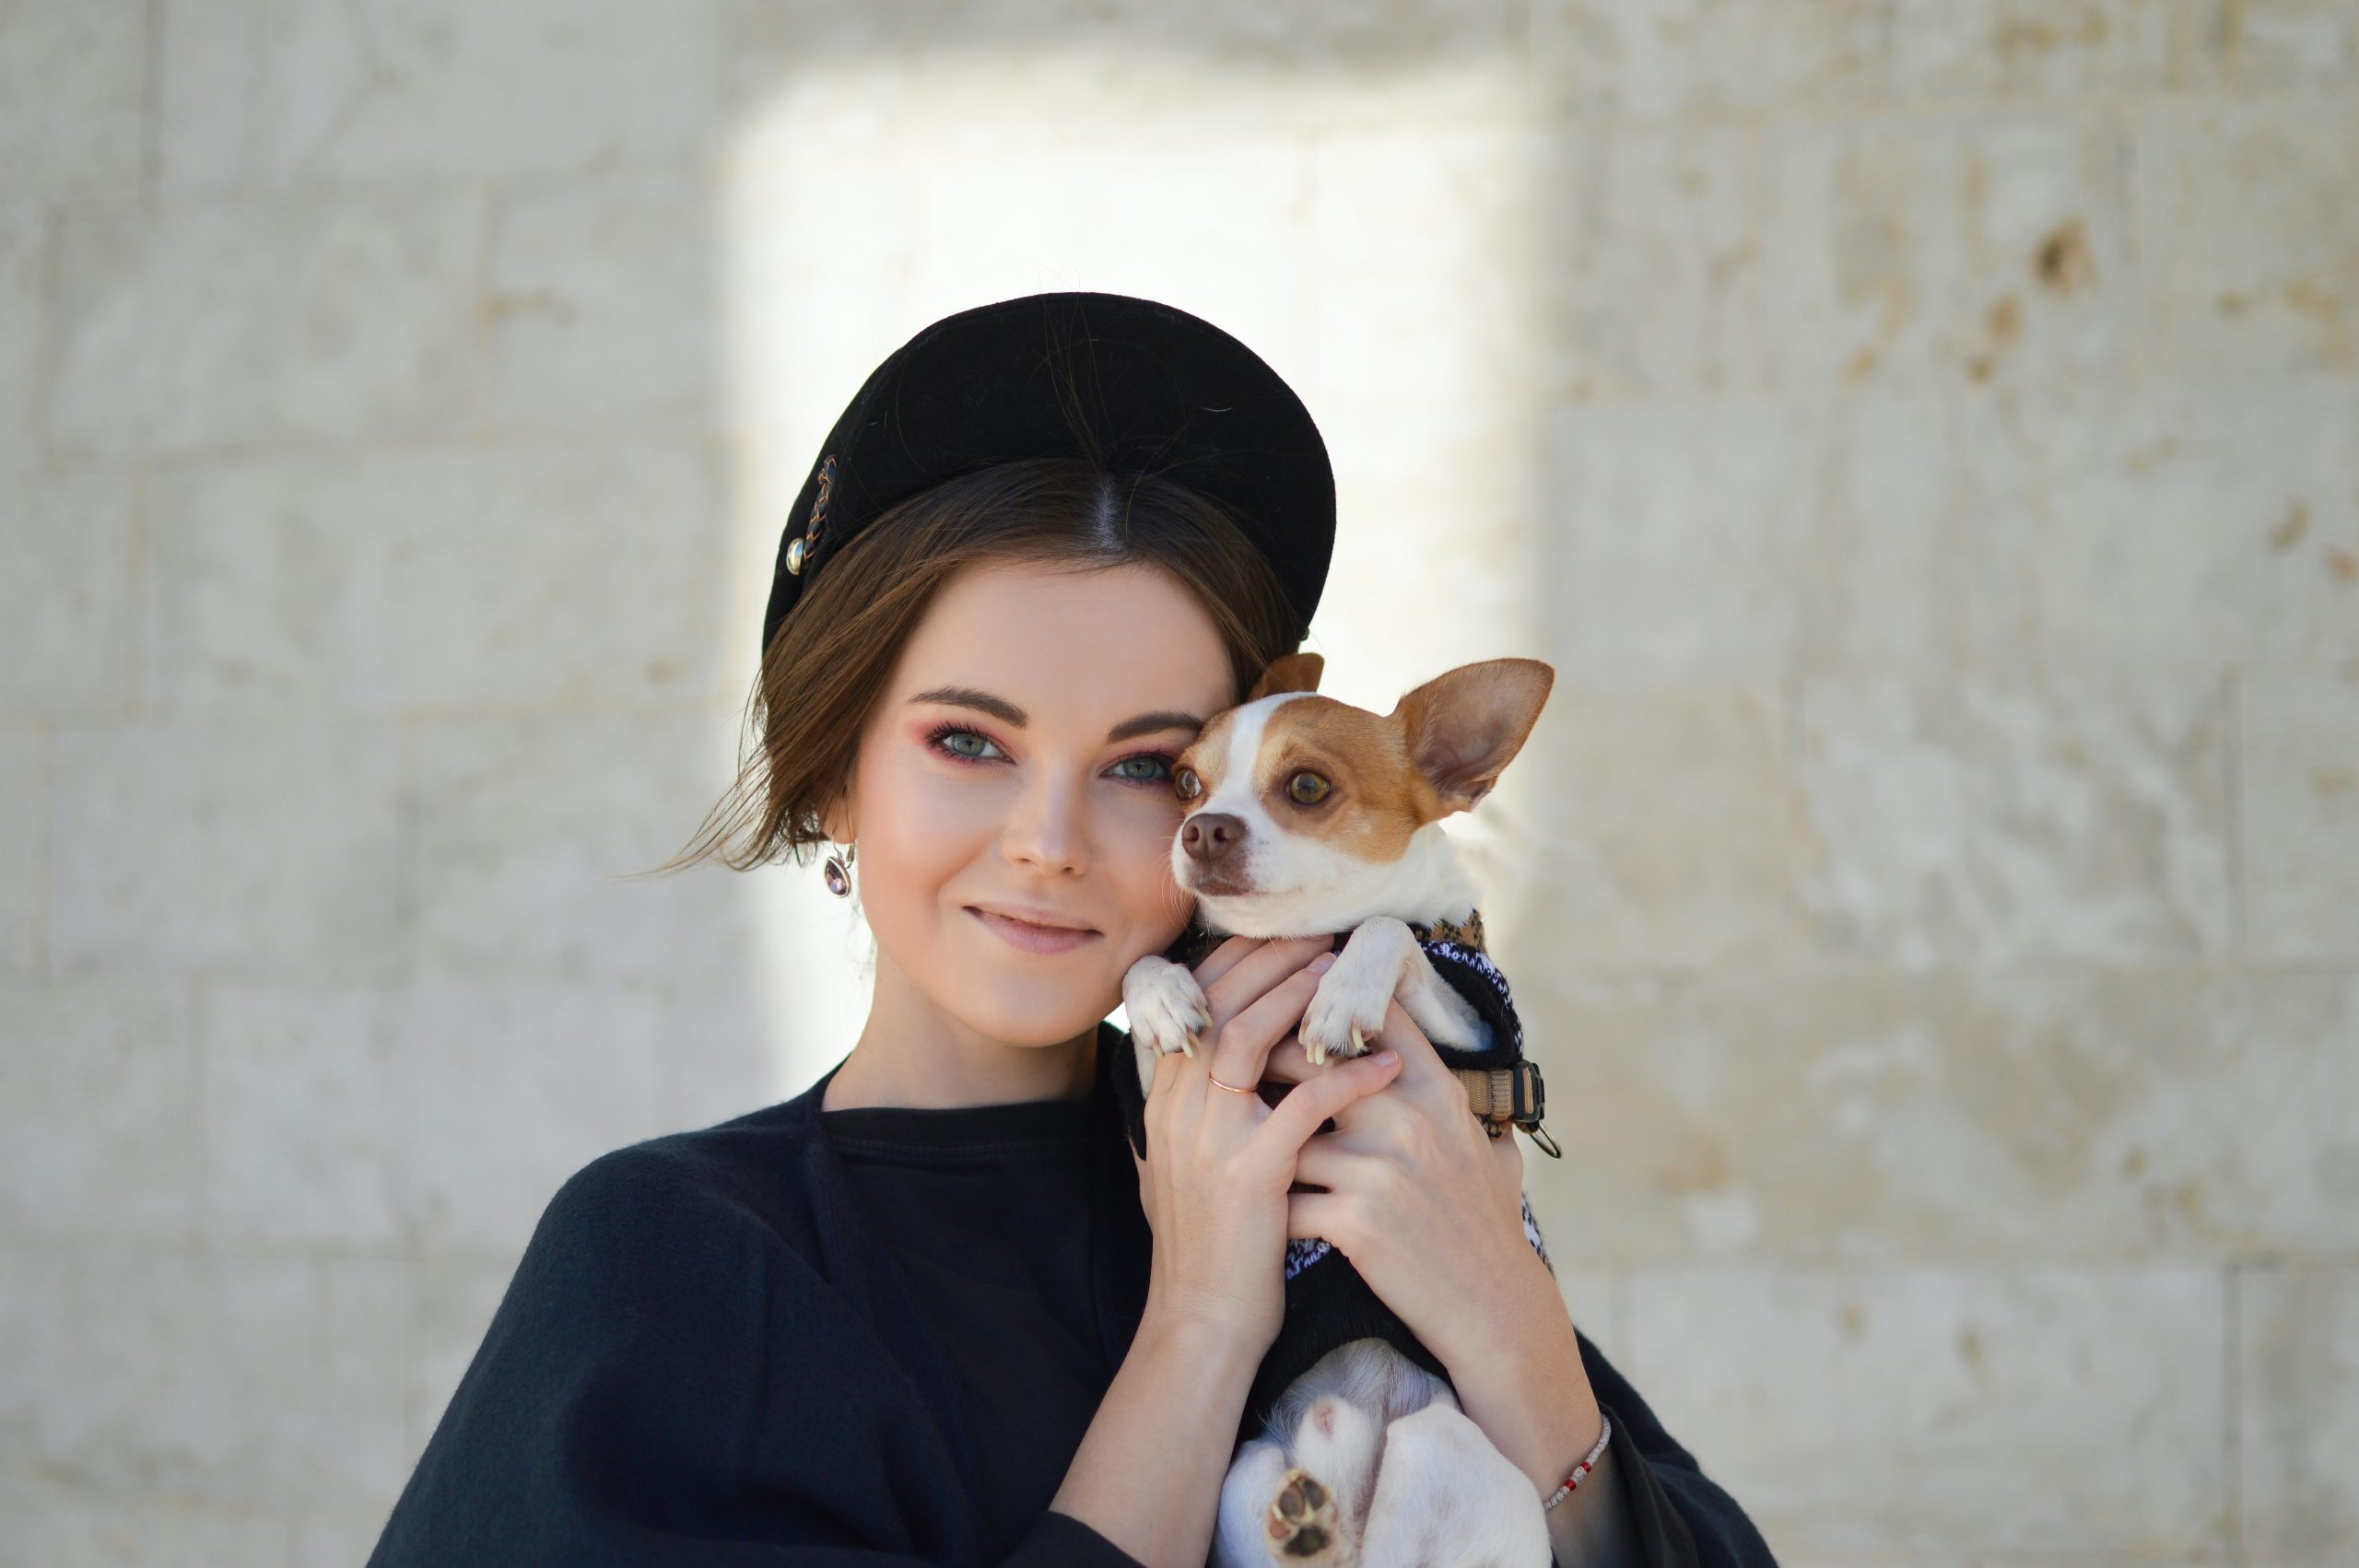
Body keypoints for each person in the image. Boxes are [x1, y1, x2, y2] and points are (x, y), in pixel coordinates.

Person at [365, 293, 1777, 1567]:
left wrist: (1513, 1336)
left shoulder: (1329, 1154)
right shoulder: (676, 1260)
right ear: (833, 773)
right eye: (970, 740)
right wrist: (1200, 1329)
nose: (1048, 839)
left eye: (1146, 765)